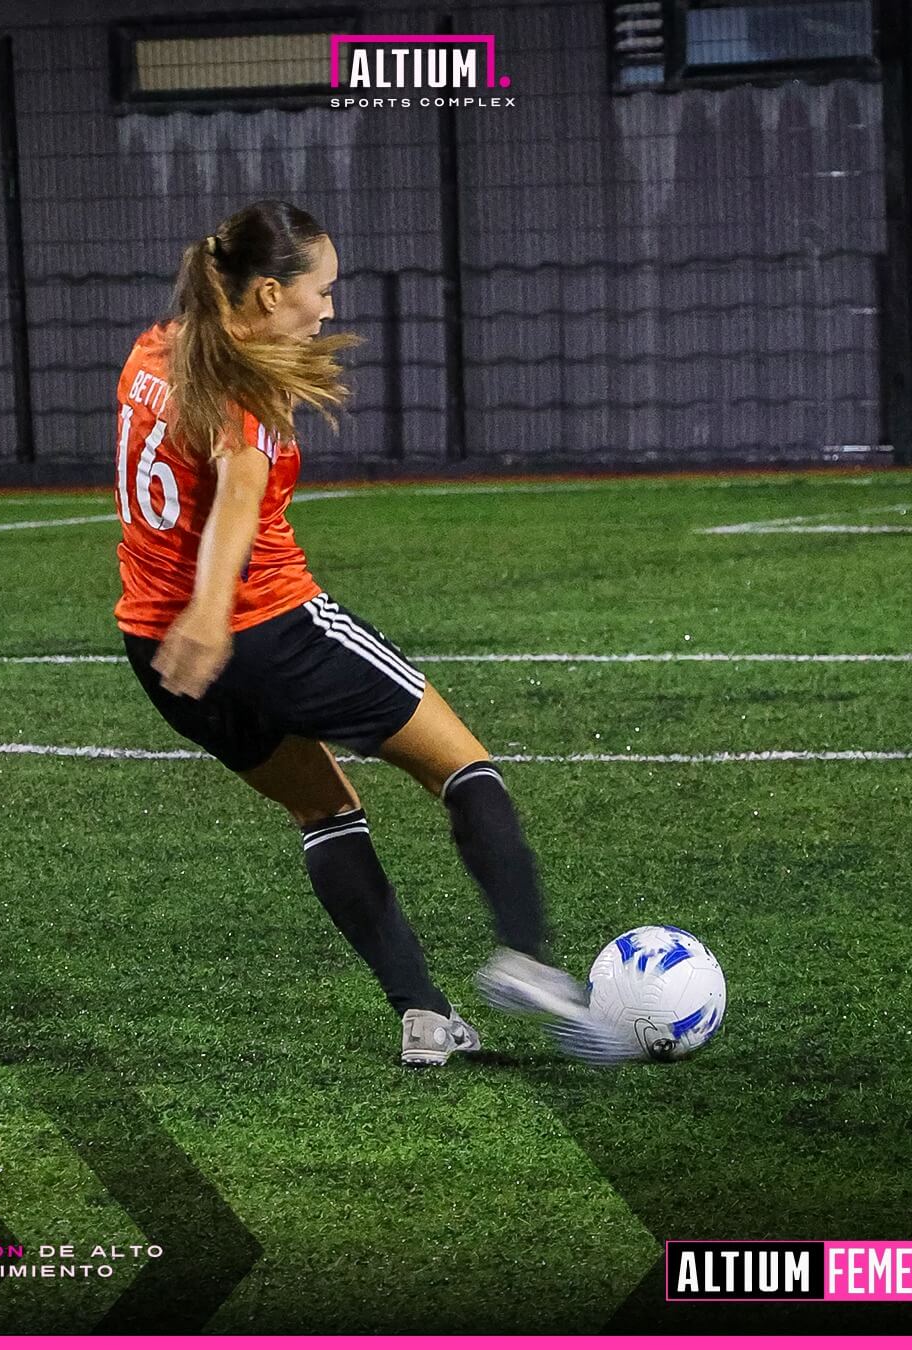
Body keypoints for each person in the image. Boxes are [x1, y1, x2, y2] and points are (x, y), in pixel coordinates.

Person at [114, 199, 595, 1068]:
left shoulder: (155, 349)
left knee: (325, 809)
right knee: (464, 766)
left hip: (157, 652)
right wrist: (215, 614)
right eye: (322, 290)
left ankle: (422, 1017)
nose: (330, 308)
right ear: (266, 293)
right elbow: (233, 503)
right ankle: (528, 956)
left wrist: (192, 624)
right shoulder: (245, 391)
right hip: (261, 628)